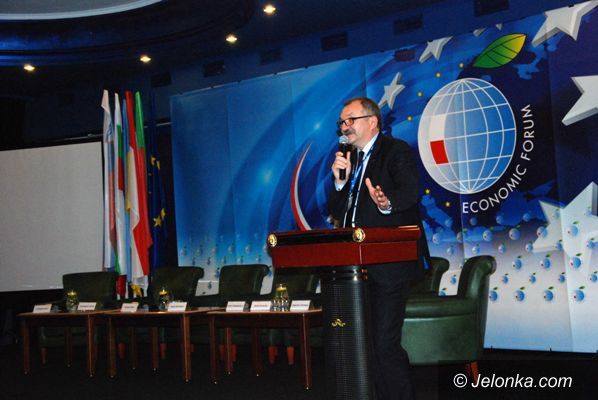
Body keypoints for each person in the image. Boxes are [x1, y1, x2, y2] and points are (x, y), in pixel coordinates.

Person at [328, 97, 425, 400]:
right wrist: (340, 183)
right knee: (366, 345)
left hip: (389, 264)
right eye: (341, 123)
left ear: (372, 121)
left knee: (384, 344)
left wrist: (386, 203)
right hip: (356, 269)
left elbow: (410, 193)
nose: (344, 127)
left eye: (350, 120)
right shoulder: (351, 160)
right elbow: (336, 211)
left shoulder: (395, 151)